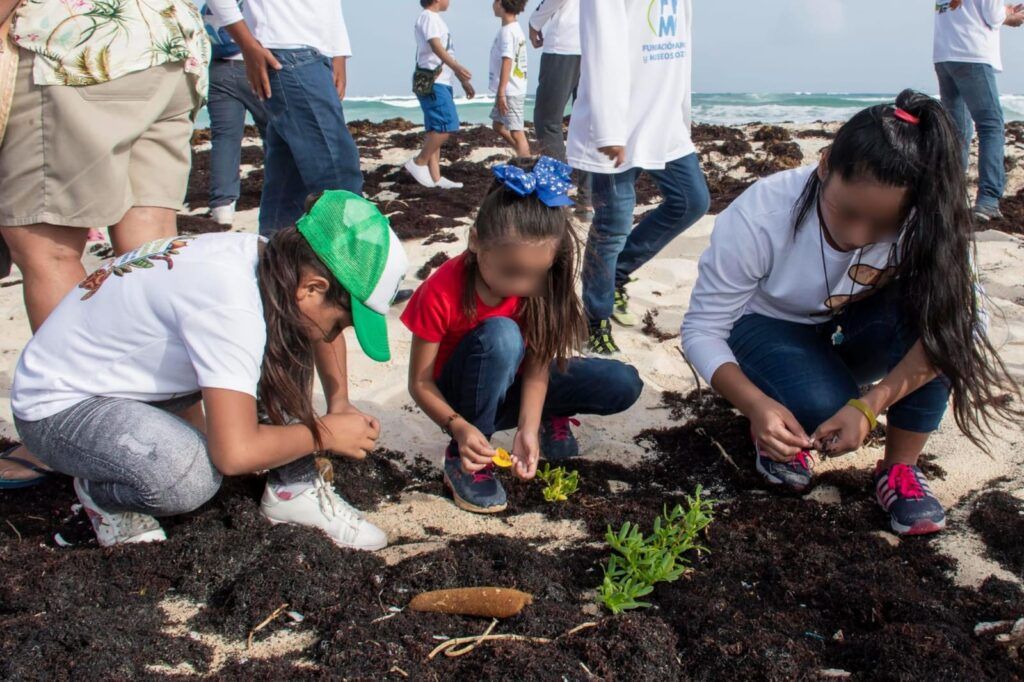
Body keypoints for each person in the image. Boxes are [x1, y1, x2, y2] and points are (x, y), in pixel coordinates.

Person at [681, 90, 1018, 536]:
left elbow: (965, 327)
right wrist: (756, 404)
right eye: (847, 212)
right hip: (767, 328)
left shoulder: (929, 220)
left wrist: (870, 404)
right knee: (824, 403)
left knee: (937, 311)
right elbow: (702, 330)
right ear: (824, 166)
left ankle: (899, 470)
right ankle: (782, 415)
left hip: (858, 328)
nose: (858, 234)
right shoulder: (762, 215)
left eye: (883, 225)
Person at [11, 191, 410, 549]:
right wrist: (324, 434)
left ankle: (294, 490)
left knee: (300, 329)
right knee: (187, 476)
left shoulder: (269, 259)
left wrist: (338, 403)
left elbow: (318, 330)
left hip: (124, 382)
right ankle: (102, 496)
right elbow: (235, 455)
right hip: (61, 409)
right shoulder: (230, 308)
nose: (338, 334)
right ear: (313, 286)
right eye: (344, 322)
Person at [0, 0, 209, 487]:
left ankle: (79, 434)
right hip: (169, 40)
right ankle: (179, 421)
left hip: (77, 48)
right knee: (151, 253)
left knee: (47, 245)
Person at [402, 157, 643, 514]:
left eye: (535, 274)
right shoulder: (441, 290)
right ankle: (468, 457)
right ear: (475, 242)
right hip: (463, 399)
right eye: (512, 272)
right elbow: (420, 383)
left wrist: (526, 430)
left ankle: (548, 416)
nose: (524, 286)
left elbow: (537, 367)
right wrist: (458, 428)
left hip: (517, 384)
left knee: (622, 381)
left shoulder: (542, 284)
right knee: (502, 335)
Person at [568, 0, 710, 356]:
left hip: (665, 119)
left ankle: (616, 273)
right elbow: (602, 50)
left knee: (692, 201)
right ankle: (595, 318)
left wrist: (682, 115)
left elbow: (681, 53)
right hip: (619, 120)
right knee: (614, 224)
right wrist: (608, 130)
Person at [207, 0, 363, 235]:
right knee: (337, 173)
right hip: (285, 54)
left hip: (311, 56)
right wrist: (247, 46)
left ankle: (274, 264)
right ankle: (356, 264)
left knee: (289, 181)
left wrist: (338, 53)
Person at [934, 0, 1024, 222]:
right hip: (971, 54)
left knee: (958, 133)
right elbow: (993, 16)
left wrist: (1004, 12)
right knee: (991, 126)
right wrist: (1010, 14)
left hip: (945, 54)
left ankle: (949, 200)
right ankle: (988, 201)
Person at [203, 3, 269, 227]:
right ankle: (277, 192)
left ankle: (223, 206)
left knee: (224, 139)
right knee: (275, 133)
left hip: (219, 67)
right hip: (257, 64)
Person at [528, 0, 591, 215]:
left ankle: (558, 195)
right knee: (586, 123)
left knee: (547, 121)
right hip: (596, 44)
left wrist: (535, 21)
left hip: (566, 42)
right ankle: (587, 198)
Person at [405, 0, 475, 190]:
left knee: (435, 129)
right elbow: (436, 46)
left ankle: (436, 178)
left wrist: (462, 80)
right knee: (446, 126)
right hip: (434, 82)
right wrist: (457, 66)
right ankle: (419, 162)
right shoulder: (428, 17)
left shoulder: (436, 19)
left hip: (441, 81)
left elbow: (445, 52)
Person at [489, 0, 531, 158]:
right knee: (498, 126)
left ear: (500, 3)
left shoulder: (507, 31)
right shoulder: (514, 28)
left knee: (517, 132)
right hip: (511, 88)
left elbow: (508, 60)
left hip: (510, 91)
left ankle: (526, 163)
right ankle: (524, 155)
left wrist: (501, 92)